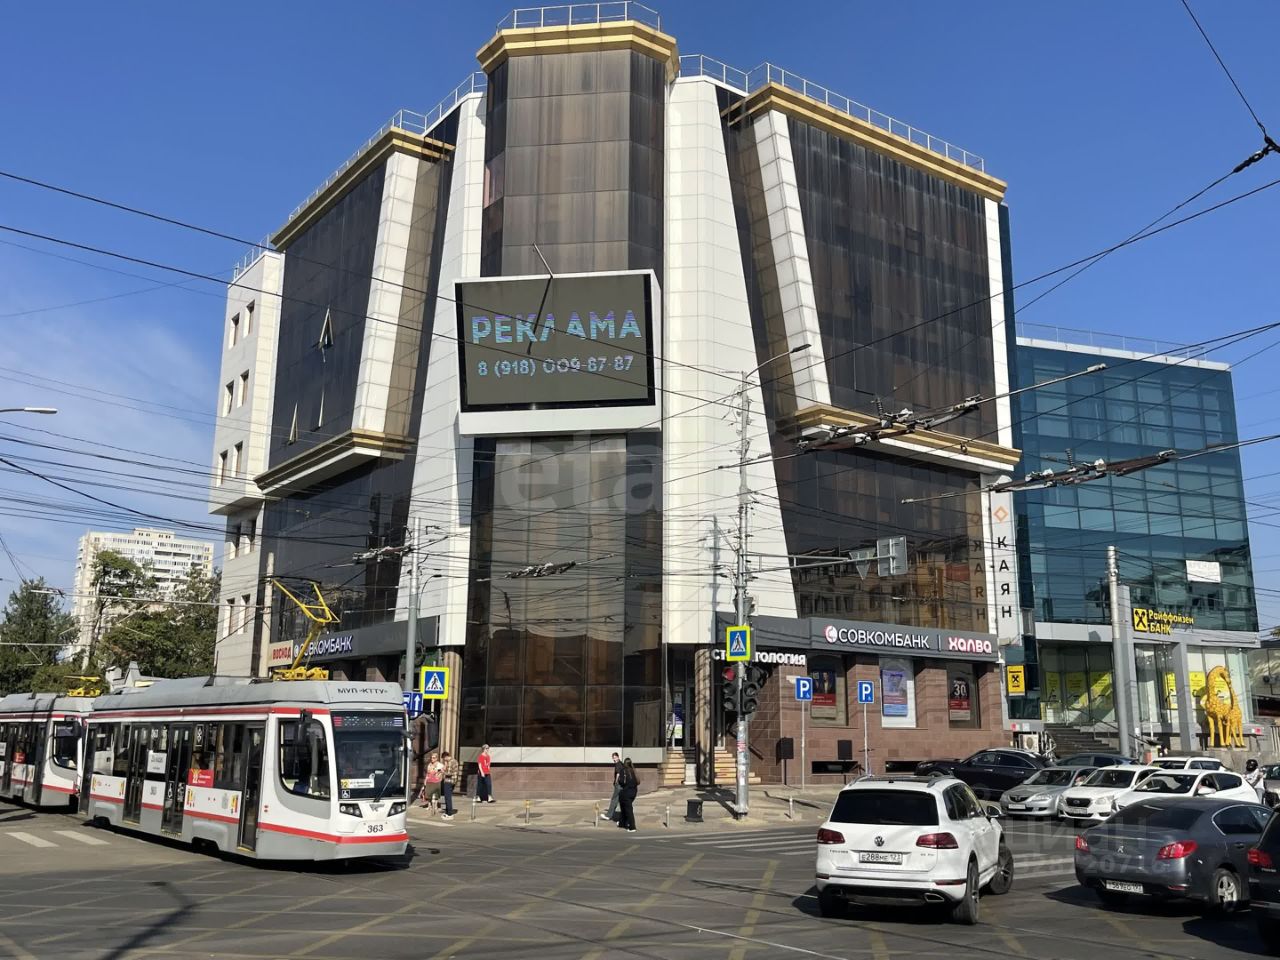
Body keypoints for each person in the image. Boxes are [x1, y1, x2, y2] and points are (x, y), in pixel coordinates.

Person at [617, 758, 639, 833]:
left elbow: (622, 782)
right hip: (634, 792)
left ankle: (632, 827)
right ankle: (622, 823)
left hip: (627, 792)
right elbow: (637, 781)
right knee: (624, 806)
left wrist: (619, 780)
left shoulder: (623, 770)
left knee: (628, 809)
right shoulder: (634, 771)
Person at [601, 752, 623, 821]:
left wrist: (616, 782)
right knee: (618, 800)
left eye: (615, 758)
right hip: (622, 785)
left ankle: (608, 815)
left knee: (614, 800)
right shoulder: (621, 763)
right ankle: (623, 815)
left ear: (618, 757)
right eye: (613, 758)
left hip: (618, 785)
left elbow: (618, 774)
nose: (614, 759)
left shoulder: (618, 764)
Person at [441, 751, 460, 820]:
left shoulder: (450, 762)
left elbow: (449, 773)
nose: (444, 760)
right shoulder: (454, 761)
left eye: (444, 759)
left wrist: (443, 772)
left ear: (445, 757)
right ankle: (447, 812)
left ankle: (450, 814)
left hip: (449, 781)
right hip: (453, 781)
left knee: (447, 797)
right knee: (448, 796)